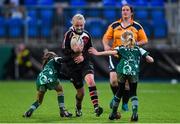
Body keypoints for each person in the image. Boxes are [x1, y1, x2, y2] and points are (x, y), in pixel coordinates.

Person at [89, 31, 154, 121]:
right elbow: (151, 59)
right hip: (133, 72)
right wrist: (148, 59)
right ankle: (135, 114)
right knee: (133, 93)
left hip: (122, 71)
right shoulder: (138, 49)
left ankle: (113, 113)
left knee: (119, 92)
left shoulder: (120, 48)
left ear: (123, 41)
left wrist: (97, 53)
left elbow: (110, 53)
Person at [102, 4, 148, 111]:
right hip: (116, 54)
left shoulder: (137, 26)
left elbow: (145, 40)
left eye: (127, 10)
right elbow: (105, 38)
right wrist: (106, 46)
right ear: (121, 12)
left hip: (129, 56)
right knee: (114, 80)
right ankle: (116, 98)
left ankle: (125, 103)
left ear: (131, 13)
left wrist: (134, 44)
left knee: (127, 83)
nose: (125, 12)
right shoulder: (114, 25)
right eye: (123, 10)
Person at [61, 13, 103, 117]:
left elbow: (90, 50)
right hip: (73, 66)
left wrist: (83, 56)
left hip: (85, 63)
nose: (79, 28)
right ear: (73, 24)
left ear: (84, 24)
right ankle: (78, 107)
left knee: (91, 81)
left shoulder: (87, 35)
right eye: (77, 25)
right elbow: (64, 51)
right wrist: (73, 51)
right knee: (81, 93)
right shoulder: (68, 35)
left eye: (81, 25)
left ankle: (96, 107)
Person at [23, 51, 72, 118]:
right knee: (60, 90)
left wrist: (69, 78)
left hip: (40, 79)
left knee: (39, 101)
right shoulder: (54, 59)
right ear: (52, 56)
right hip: (49, 77)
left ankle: (30, 110)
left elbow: (59, 75)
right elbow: (62, 59)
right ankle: (62, 109)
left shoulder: (48, 66)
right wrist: (71, 57)